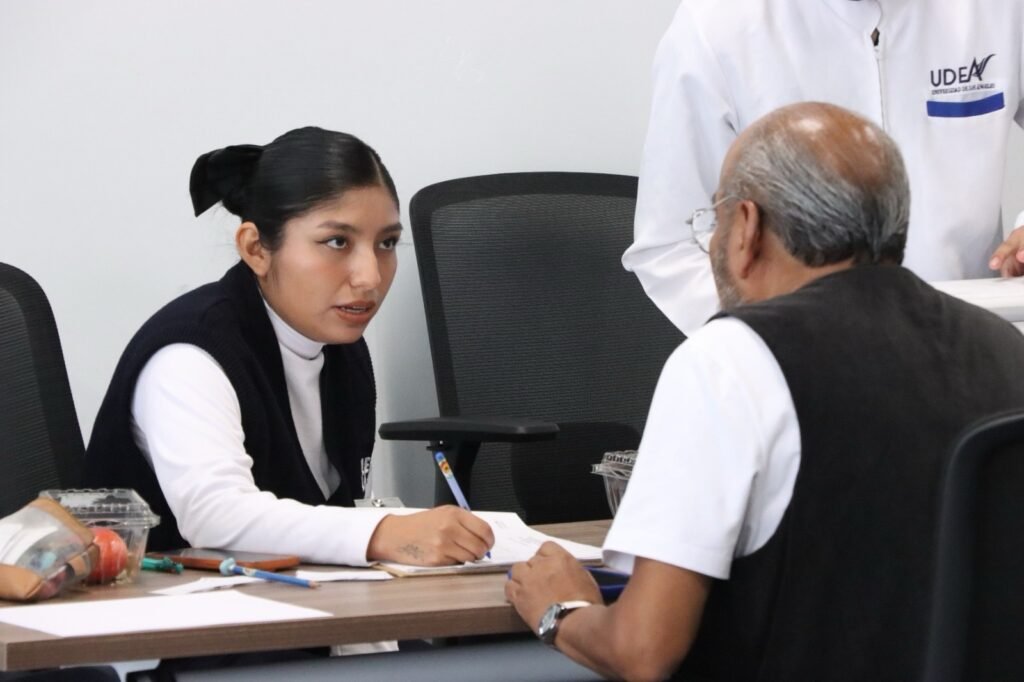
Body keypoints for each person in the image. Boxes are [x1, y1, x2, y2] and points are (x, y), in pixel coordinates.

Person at [505, 102, 1024, 680]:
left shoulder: (729, 360)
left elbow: (642, 650)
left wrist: (560, 609)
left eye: (715, 218)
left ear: (747, 226)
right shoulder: (1006, 349)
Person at [85, 127, 494, 571]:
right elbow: (215, 516)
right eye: (337, 242)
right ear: (256, 249)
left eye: (387, 243)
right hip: (159, 609)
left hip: (297, 603)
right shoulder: (191, 354)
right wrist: (381, 532)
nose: (370, 277)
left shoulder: (340, 347)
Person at [623, 0, 1024, 335]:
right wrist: (779, 339)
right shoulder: (718, 25)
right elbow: (670, 246)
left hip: (970, 340)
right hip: (799, 363)